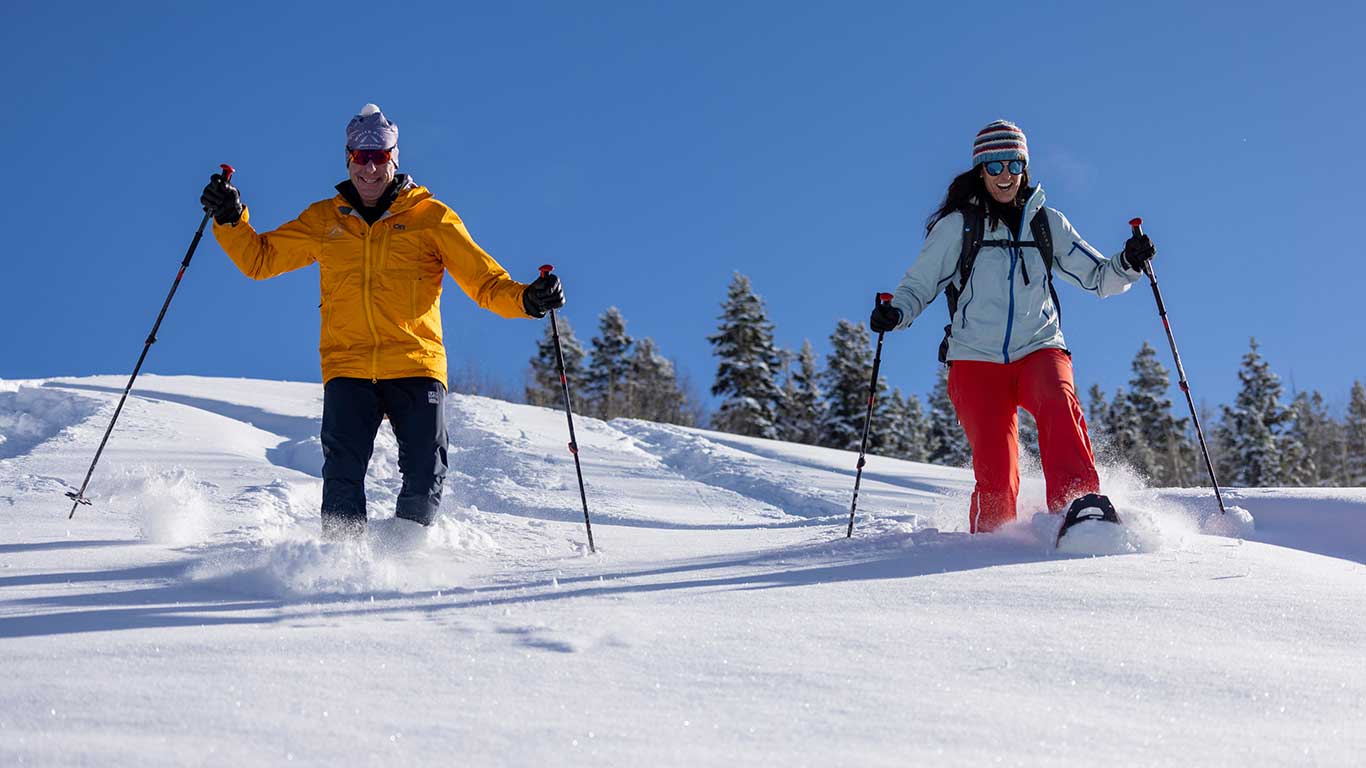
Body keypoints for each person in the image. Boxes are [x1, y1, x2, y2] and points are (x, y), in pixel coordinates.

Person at [200, 104, 566, 540]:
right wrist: (229, 218)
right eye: (361, 157)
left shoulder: (431, 218)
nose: (370, 168)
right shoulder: (324, 220)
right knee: (341, 473)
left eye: (380, 156)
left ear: (395, 156)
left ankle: (406, 558)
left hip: (415, 362)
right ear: (347, 158)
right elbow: (259, 259)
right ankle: (342, 561)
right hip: (348, 365)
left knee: (425, 468)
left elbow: (485, 283)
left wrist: (527, 299)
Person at [870, 120, 1155, 534]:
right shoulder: (958, 226)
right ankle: (993, 540)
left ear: (1025, 167)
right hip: (974, 359)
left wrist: (1128, 261)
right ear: (980, 171)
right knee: (997, 471)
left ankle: (1080, 510)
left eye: (1013, 165)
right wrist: (896, 313)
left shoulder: (1046, 223)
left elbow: (1098, 276)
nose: (1005, 175)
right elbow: (919, 285)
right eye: (994, 166)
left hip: (1039, 347)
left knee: (1058, 401)